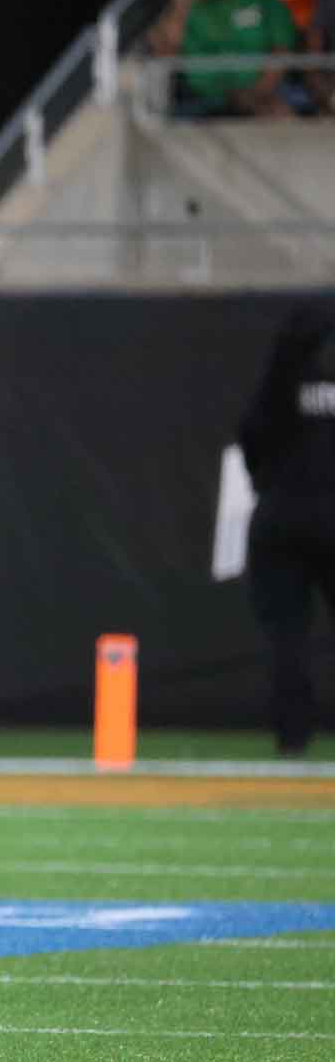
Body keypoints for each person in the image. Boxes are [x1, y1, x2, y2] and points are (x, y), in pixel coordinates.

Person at [238, 306, 335, 757]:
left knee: (286, 635)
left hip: (281, 516)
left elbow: (250, 437)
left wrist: (269, 482)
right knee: (287, 636)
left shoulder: (278, 388)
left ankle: (293, 736)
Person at [150, 0, 299, 118]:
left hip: (261, 97)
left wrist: (256, 93)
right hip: (200, 103)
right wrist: (184, 3)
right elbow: (164, 53)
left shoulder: (268, 4)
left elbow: (281, 53)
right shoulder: (187, 9)